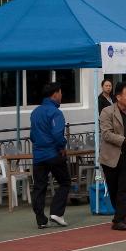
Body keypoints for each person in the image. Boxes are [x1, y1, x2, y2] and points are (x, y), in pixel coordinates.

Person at [98, 82, 126, 231]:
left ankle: (117, 220)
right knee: (114, 188)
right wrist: (125, 140)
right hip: (111, 157)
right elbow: (106, 134)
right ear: (118, 97)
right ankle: (121, 215)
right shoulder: (106, 112)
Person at [30, 82, 72, 228]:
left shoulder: (35, 112)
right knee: (65, 182)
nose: (62, 95)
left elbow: (32, 135)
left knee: (39, 187)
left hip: (38, 155)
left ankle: (40, 219)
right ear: (55, 94)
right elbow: (57, 133)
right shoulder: (55, 112)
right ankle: (56, 212)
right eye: (60, 93)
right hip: (53, 153)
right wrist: (62, 145)